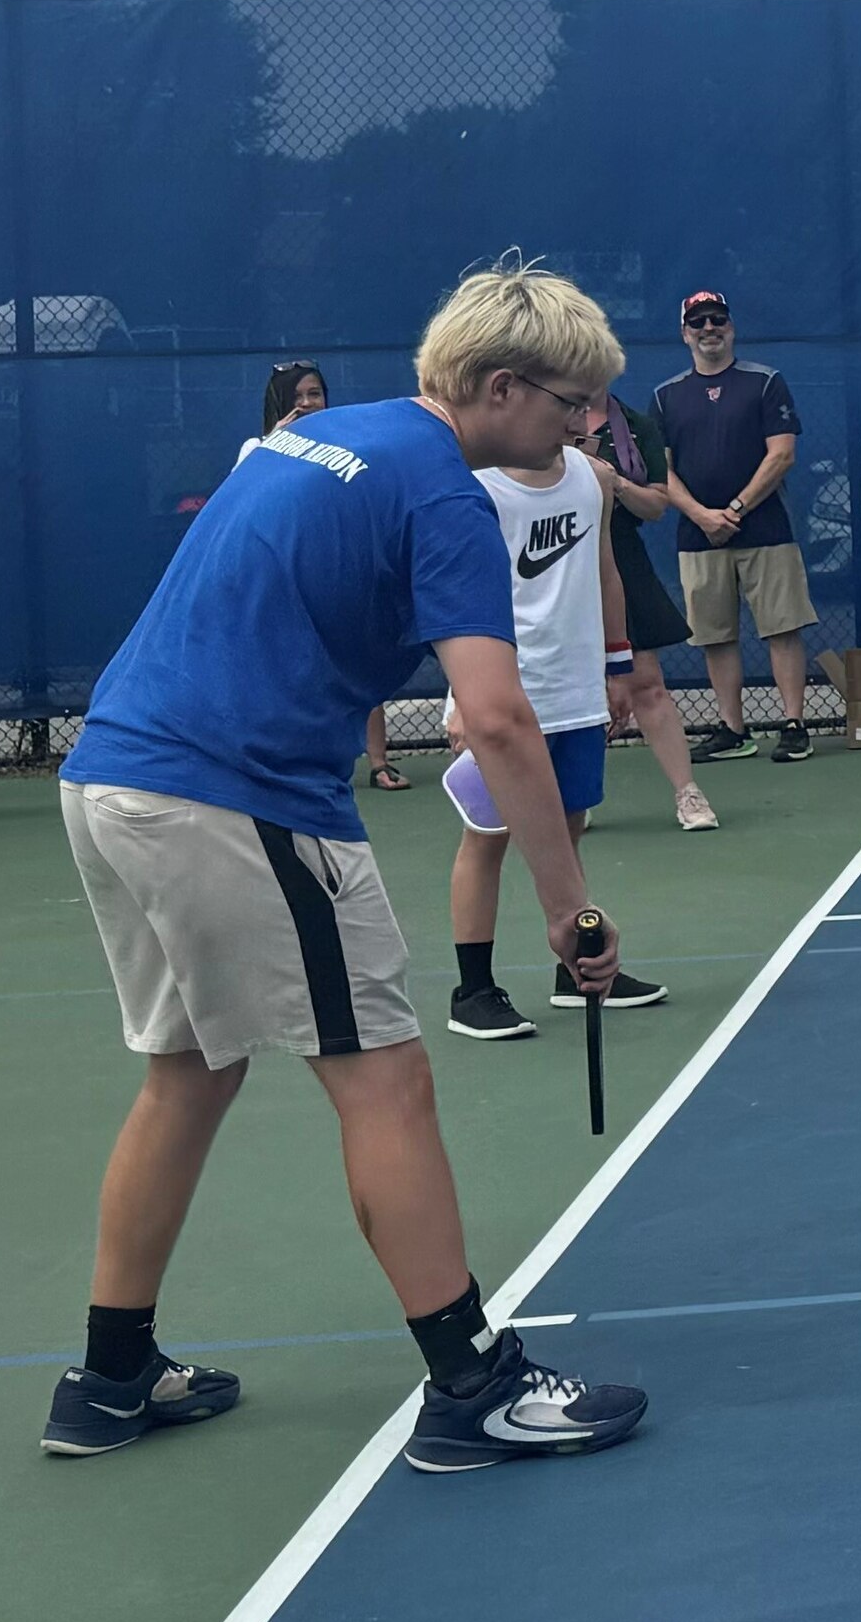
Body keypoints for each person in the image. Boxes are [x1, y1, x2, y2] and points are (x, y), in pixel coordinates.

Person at [45, 261, 643, 1471]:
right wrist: (567, 908)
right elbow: (497, 718)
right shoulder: (445, 496)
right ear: (499, 386)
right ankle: (472, 1389)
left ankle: (108, 1381)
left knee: (188, 1075)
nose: (585, 427)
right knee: (385, 1084)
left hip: (112, 776)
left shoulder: (315, 438)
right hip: (236, 795)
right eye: (570, 402)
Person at [441, 403, 669, 1039]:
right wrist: (462, 697)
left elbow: (605, 572)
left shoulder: (594, 479)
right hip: (501, 693)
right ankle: (473, 991)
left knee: (569, 830)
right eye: (568, 406)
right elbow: (455, 595)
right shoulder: (476, 485)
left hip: (575, 690)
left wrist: (616, 666)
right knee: (486, 837)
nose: (580, 421)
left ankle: (575, 969)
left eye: (584, 407)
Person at [654, 293, 813, 761]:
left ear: (732, 327)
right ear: (684, 333)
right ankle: (733, 730)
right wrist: (702, 515)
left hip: (767, 531)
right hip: (698, 537)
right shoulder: (666, 396)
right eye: (698, 322)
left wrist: (736, 509)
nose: (709, 328)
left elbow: (782, 454)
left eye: (717, 319)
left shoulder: (765, 383)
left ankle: (794, 724)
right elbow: (660, 470)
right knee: (715, 635)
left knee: (783, 627)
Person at [574, 386, 720, 833]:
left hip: (621, 556)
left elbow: (656, 505)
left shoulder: (637, 427)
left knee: (646, 682)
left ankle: (688, 793)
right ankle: (574, 797)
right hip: (557, 555)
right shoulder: (540, 416)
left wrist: (614, 482)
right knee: (571, 689)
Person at [263, 364, 412, 793]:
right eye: (297, 397)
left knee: (361, 663)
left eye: (315, 394)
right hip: (287, 582)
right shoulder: (257, 450)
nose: (308, 404)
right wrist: (276, 444)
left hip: (343, 572)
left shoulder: (345, 443)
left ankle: (379, 763)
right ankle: (293, 767)